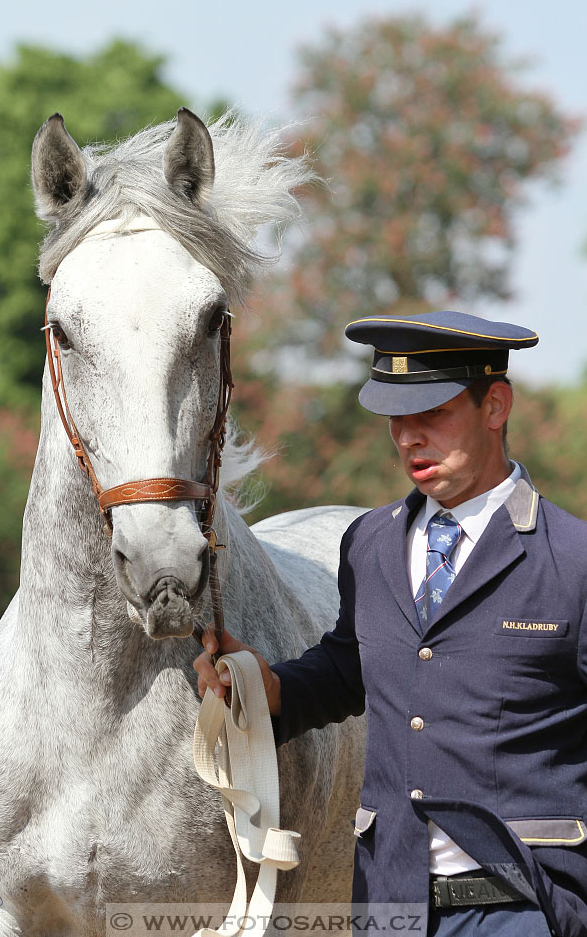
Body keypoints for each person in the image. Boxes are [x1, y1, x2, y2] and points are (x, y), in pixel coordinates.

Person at [194, 311, 587, 937]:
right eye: (396, 419)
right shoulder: (368, 544)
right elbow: (351, 667)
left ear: (496, 405)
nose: (409, 438)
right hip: (389, 904)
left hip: (528, 907)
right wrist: (268, 689)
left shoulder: (572, 560)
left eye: (431, 414)